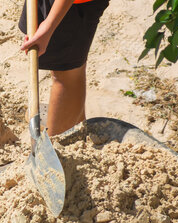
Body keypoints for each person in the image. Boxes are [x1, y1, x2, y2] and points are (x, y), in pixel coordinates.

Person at [19, 0, 110, 136]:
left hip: (70, 5)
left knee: (66, 74)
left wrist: (49, 25)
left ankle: (59, 142)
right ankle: (71, 123)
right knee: (64, 66)